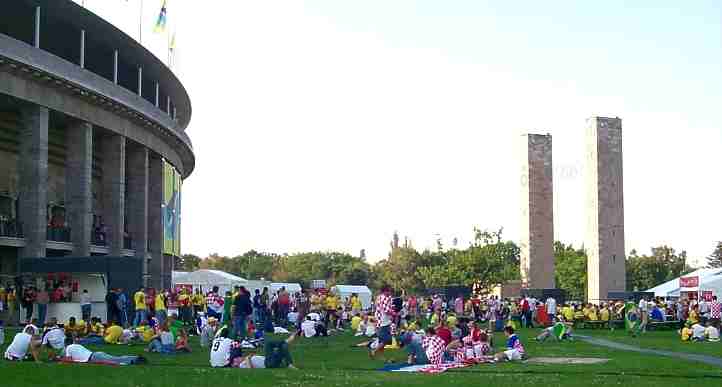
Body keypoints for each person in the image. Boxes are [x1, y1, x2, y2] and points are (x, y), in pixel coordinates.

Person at [64, 337, 145, 365]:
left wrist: (59, 359)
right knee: (116, 358)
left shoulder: (68, 348)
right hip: (96, 354)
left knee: (116, 359)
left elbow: (69, 360)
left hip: (94, 357)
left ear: (66, 344)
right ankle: (134, 358)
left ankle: (135, 359)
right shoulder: (77, 345)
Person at [370, 285, 396, 359]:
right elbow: (386, 310)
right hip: (382, 321)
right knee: (387, 339)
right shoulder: (383, 298)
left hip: (384, 320)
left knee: (382, 340)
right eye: (389, 291)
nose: (390, 292)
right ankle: (374, 351)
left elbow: (389, 307)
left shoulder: (382, 297)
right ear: (385, 291)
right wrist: (395, 313)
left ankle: (381, 356)